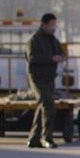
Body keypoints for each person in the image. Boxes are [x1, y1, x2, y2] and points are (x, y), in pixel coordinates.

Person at [26, 12, 64, 149]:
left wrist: (60, 56)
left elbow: (60, 52)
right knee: (48, 106)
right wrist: (51, 59)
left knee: (42, 106)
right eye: (51, 25)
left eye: (55, 25)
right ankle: (46, 138)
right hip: (37, 78)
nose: (53, 27)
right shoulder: (34, 40)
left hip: (49, 78)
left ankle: (33, 139)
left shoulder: (53, 40)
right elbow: (32, 58)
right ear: (44, 25)